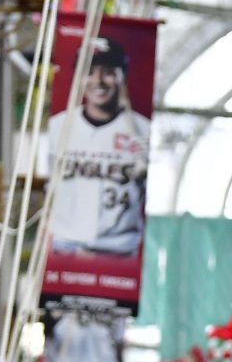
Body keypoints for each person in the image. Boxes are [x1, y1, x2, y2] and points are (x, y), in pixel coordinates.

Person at [40, 36, 151, 257]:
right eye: (89, 72)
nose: (98, 81)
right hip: (63, 248)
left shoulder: (143, 130)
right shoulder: (59, 125)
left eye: (108, 72)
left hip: (119, 253)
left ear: (122, 76)